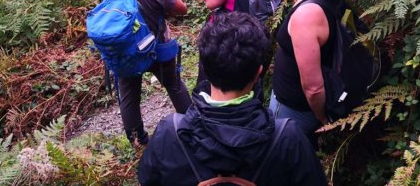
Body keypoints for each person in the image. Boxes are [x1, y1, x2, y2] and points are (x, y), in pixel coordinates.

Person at [138, 12, 327, 186]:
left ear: (204, 66)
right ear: (258, 73)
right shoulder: (287, 138)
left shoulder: (170, 133)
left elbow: (148, 179)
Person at [88, 0, 192, 147]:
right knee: (173, 85)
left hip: (125, 52)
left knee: (128, 96)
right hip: (158, 49)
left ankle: (138, 141)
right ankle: (192, 128)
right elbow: (182, 9)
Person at [269, 0, 346, 147]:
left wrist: (323, 120)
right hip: (295, 106)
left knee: (281, 166)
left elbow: (313, 88)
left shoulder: (307, 16)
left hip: (293, 111)